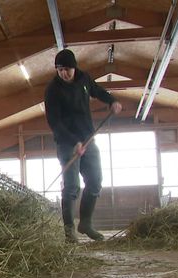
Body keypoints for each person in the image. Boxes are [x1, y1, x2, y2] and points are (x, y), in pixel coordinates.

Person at [44, 48, 122, 243]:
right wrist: (73, 142)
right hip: (66, 143)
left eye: (67, 69)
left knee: (95, 181)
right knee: (71, 186)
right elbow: (54, 122)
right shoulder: (52, 90)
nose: (64, 73)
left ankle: (85, 223)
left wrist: (112, 101)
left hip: (88, 139)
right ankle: (69, 230)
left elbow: (97, 91)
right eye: (60, 70)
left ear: (74, 67)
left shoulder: (84, 79)